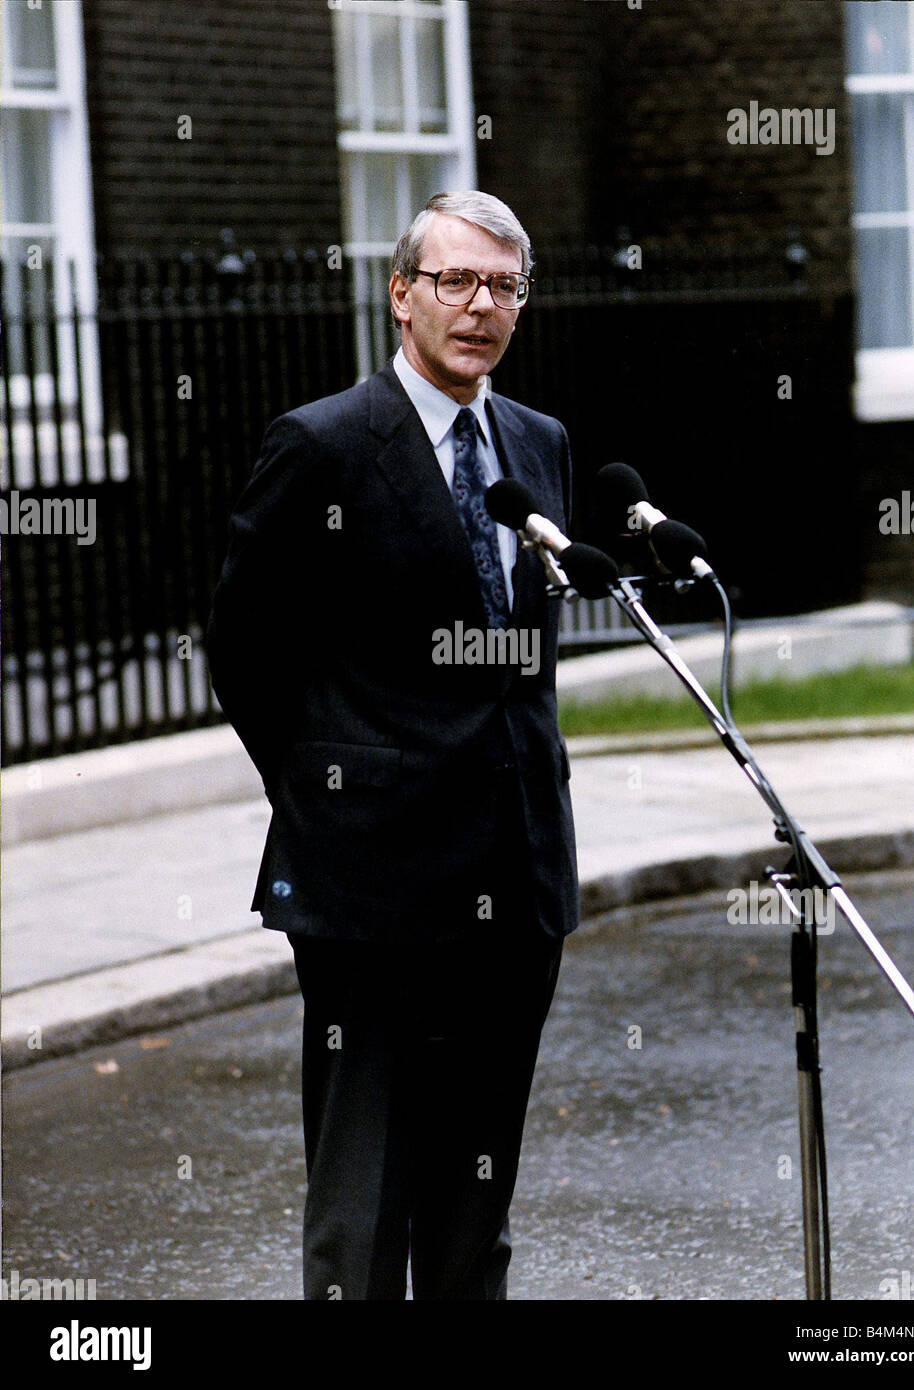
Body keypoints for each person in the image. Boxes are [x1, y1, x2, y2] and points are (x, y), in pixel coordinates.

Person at [207, 190, 579, 1301]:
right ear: (400, 294)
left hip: (512, 876)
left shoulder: (538, 446)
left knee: (475, 1201)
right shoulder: (323, 446)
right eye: (456, 281)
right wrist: (340, 793)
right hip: (371, 887)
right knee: (366, 1202)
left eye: (503, 286)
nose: (480, 306)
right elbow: (246, 650)